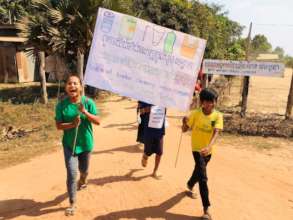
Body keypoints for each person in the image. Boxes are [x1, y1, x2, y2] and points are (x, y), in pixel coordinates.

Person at [55, 74, 100, 215]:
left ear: (80, 87)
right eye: (69, 83)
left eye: (75, 83)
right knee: (71, 173)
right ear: (66, 87)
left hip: (86, 144)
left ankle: (84, 178)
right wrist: (72, 124)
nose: (72, 86)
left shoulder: (88, 103)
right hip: (70, 145)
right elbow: (58, 126)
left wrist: (85, 112)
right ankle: (73, 202)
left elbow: (98, 121)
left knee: (84, 170)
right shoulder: (61, 105)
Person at [182, 88, 223, 220]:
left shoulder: (217, 116)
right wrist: (184, 122)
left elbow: (216, 132)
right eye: (208, 102)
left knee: (199, 170)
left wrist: (209, 147)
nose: (211, 104)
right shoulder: (195, 114)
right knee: (203, 178)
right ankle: (207, 209)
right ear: (202, 102)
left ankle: (189, 184)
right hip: (196, 149)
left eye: (213, 102)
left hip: (208, 151)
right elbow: (184, 130)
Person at [139, 101, 166, 179]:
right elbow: (140, 111)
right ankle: (145, 155)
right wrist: (149, 109)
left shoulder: (165, 98)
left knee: (160, 152)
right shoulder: (146, 97)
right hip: (149, 130)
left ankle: (155, 171)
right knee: (148, 150)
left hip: (160, 129)